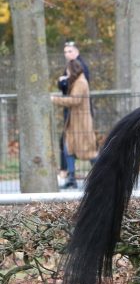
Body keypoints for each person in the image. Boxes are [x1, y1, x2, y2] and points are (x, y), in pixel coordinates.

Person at [50, 58, 98, 189]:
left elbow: (74, 101)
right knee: (67, 148)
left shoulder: (81, 82)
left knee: (89, 152)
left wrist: (55, 99)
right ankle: (72, 178)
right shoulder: (76, 81)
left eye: (68, 70)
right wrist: (62, 80)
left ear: (73, 69)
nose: (67, 72)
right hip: (73, 122)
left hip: (81, 123)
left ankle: (101, 174)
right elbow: (65, 90)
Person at [56, 41, 91, 178]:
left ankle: (68, 174)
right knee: (66, 143)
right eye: (65, 52)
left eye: (69, 51)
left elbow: (74, 90)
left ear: (76, 52)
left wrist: (64, 82)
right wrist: (62, 82)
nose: (67, 54)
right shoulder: (70, 66)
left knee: (87, 145)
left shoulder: (80, 67)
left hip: (80, 113)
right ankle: (69, 175)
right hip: (71, 111)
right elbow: (62, 85)